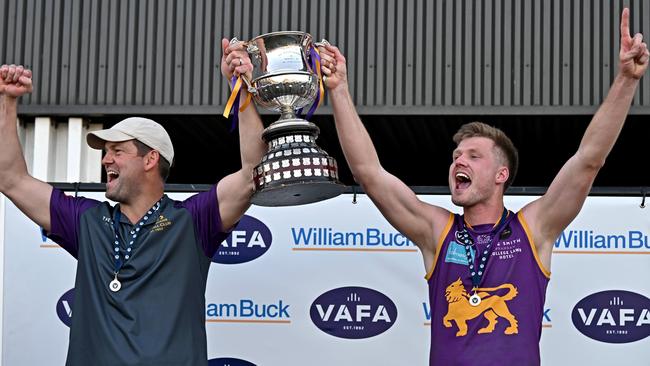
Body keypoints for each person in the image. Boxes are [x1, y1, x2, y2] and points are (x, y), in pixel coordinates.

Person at [316, 8, 648, 366]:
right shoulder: (437, 231)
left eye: (474, 156)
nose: (459, 161)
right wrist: (340, 90)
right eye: (456, 155)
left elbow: (588, 159)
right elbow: (368, 172)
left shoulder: (533, 228)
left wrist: (625, 81)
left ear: (501, 175)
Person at [0, 39, 264, 365]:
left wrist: (240, 90)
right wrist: (8, 103)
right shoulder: (86, 220)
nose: (105, 160)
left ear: (150, 159)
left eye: (117, 151)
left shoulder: (193, 221)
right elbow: (11, 178)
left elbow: (254, 174)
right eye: (105, 152)